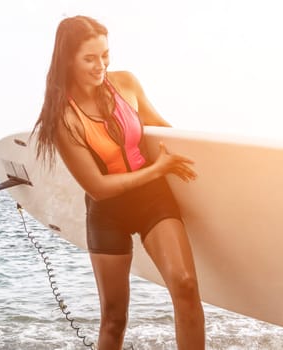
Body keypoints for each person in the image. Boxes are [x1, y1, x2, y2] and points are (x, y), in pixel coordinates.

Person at [33, 16, 205, 350]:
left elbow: (163, 128)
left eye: (105, 55)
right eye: (90, 58)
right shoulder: (63, 119)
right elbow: (98, 187)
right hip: (107, 211)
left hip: (153, 199)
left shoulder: (125, 84)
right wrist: (159, 170)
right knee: (114, 318)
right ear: (68, 59)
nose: (101, 66)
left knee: (184, 285)